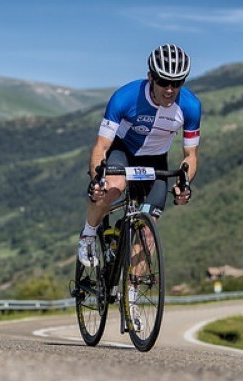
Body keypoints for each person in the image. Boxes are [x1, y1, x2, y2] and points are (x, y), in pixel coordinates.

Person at [78, 43, 201, 269]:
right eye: (163, 81)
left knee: (148, 232)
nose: (170, 89)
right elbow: (101, 147)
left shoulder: (191, 107)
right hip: (123, 151)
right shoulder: (125, 97)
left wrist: (185, 183)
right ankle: (88, 235)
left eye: (177, 83)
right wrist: (97, 179)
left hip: (155, 160)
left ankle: (132, 296)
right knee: (113, 186)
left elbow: (190, 155)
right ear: (150, 77)